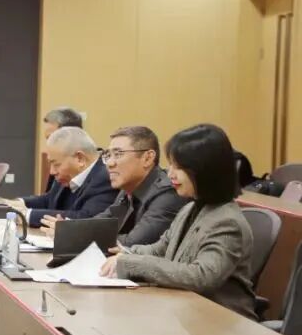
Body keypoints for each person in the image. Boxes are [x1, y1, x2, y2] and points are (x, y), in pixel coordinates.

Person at [102, 124, 257, 320]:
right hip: (184, 313)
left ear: (204, 169)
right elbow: (161, 249)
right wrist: (125, 252)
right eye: (171, 165)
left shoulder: (227, 221)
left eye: (179, 167)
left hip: (220, 321)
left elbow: (201, 276)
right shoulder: (189, 208)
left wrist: (132, 262)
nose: (170, 174)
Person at [77, 126, 185, 246]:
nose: (110, 163)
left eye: (118, 154)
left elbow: (132, 243)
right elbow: (101, 222)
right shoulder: (129, 187)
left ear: (147, 158)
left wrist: (81, 237)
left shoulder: (168, 193)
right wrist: (69, 230)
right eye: (108, 156)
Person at [17, 126, 115, 227]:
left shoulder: (107, 177)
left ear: (80, 158)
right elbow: (49, 199)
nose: (52, 172)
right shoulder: (67, 175)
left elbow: (86, 218)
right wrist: (20, 203)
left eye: (56, 164)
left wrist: (27, 215)